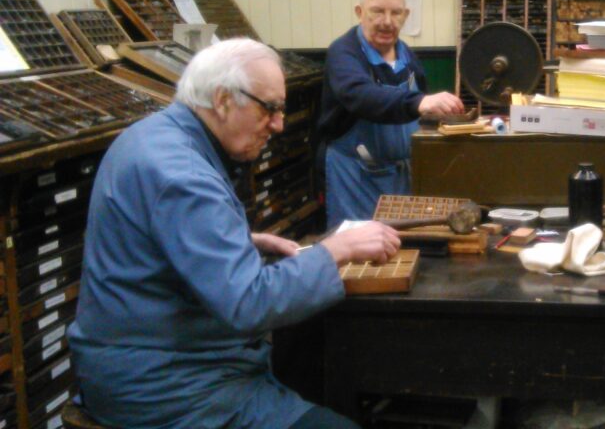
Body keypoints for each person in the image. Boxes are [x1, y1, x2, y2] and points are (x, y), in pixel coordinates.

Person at [68, 38, 401, 429]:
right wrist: (333, 250)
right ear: (223, 99)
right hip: (168, 387)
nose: (278, 125)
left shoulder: (151, 135)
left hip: (132, 363)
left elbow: (156, 241)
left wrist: (242, 241)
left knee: (306, 358)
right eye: (271, 109)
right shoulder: (184, 175)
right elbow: (248, 302)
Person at [318, 0, 463, 227]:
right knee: (356, 257)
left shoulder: (407, 57)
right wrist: (418, 102)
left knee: (402, 249)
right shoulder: (343, 54)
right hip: (355, 180)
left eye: (396, 13)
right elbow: (361, 96)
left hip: (401, 178)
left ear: (406, 15)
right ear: (359, 12)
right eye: (377, 11)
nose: (387, 22)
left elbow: (422, 115)